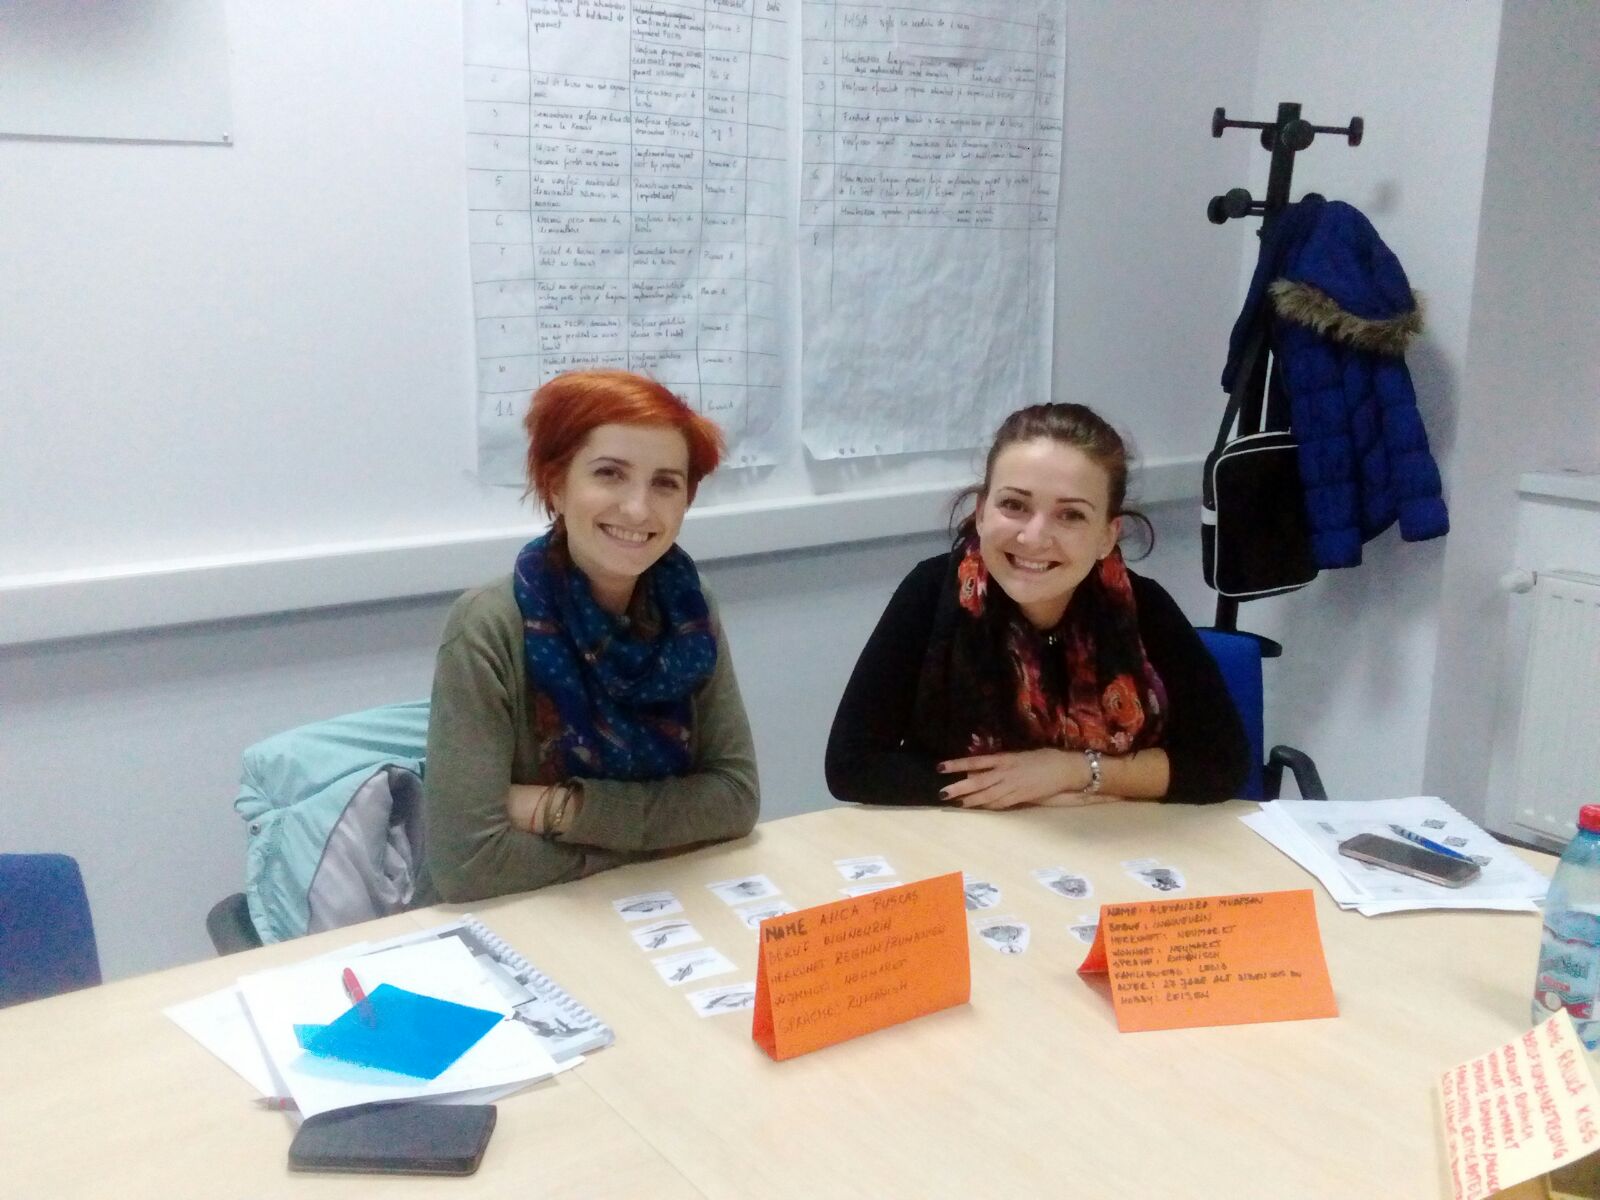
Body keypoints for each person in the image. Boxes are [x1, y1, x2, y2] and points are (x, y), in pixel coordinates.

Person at [421, 369, 759, 903]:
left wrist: (560, 809)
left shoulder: (690, 612)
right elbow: (470, 866)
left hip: (657, 906)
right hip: (516, 918)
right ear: (556, 485)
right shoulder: (489, 625)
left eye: (665, 483)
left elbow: (735, 800)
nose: (638, 509)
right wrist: (660, 840)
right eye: (609, 474)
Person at [825, 403, 1248, 809]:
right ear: (982, 512)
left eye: (1071, 515)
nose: (1034, 537)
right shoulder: (931, 591)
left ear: (1107, 535)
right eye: (1014, 505)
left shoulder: (1143, 607)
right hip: (963, 842)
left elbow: (1222, 764)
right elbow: (853, 765)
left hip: (1107, 839)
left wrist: (1071, 771)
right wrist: (1014, 790)